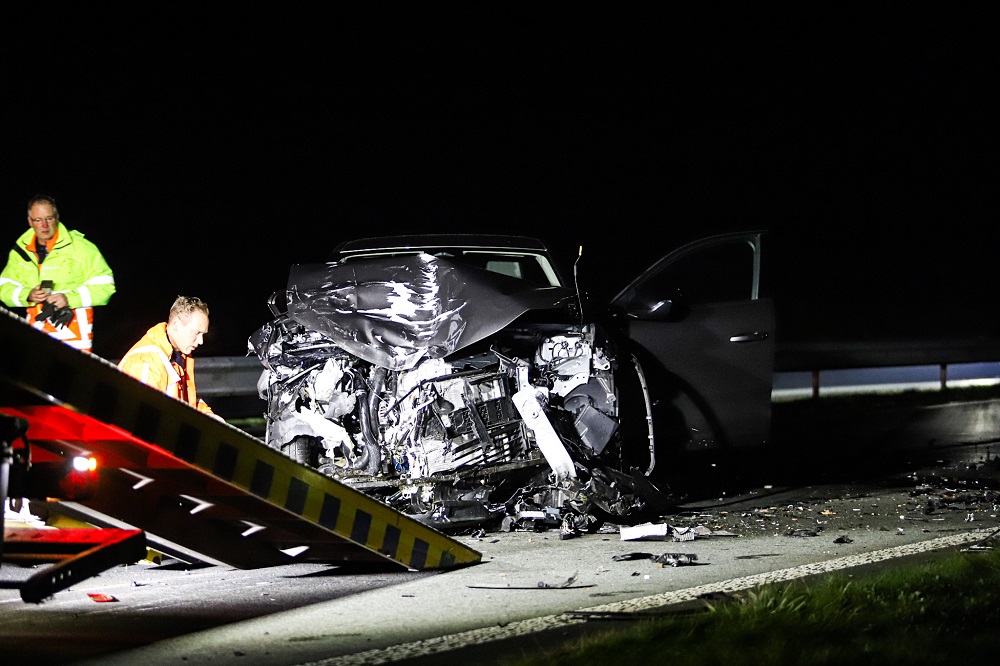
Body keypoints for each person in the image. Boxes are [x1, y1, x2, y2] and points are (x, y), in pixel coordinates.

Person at [0, 194, 116, 352]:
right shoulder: (20, 251)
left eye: (49, 219)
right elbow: (4, 288)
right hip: (36, 330)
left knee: (74, 367)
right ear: (30, 221)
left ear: (57, 217)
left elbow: (106, 286)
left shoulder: (81, 247)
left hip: (73, 333)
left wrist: (69, 298)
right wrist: (28, 295)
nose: (44, 225)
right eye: (38, 220)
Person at [118, 296, 223, 421]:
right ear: (176, 324)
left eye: (203, 334)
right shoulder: (148, 361)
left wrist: (207, 415)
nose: (201, 341)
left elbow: (187, 401)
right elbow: (142, 420)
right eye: (196, 333)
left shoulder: (177, 356)